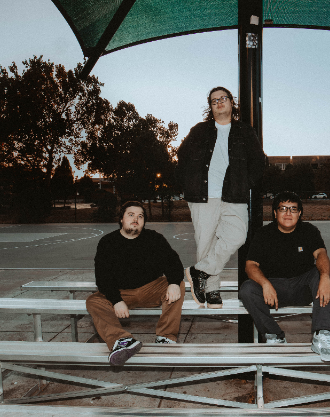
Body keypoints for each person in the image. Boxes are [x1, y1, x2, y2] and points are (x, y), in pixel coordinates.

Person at [176, 86, 265, 309]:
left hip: (234, 194)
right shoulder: (199, 131)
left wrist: (245, 182)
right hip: (203, 196)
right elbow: (182, 157)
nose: (219, 102)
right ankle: (212, 290)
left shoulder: (244, 131)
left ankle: (199, 271)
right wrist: (189, 183)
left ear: (231, 102)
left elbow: (258, 161)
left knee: (238, 235)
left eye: (223, 98)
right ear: (211, 106)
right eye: (214, 100)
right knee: (205, 242)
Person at [239, 191, 330, 361]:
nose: (288, 213)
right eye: (283, 208)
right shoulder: (264, 234)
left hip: (303, 288)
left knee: (322, 272)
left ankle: (322, 335)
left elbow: (321, 254)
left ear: (299, 213)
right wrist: (265, 284)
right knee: (247, 289)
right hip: (273, 291)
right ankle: (274, 336)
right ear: (275, 212)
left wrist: (324, 276)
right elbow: (250, 265)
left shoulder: (309, 230)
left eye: (293, 209)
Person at [86, 201, 185, 366]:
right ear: (121, 219)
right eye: (131, 215)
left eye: (140, 216)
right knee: (93, 301)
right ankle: (122, 340)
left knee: (177, 285)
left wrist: (174, 283)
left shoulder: (154, 238)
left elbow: (173, 263)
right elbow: (103, 277)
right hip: (121, 292)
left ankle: (165, 338)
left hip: (150, 289)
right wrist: (116, 300)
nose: (136, 219)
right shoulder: (108, 242)